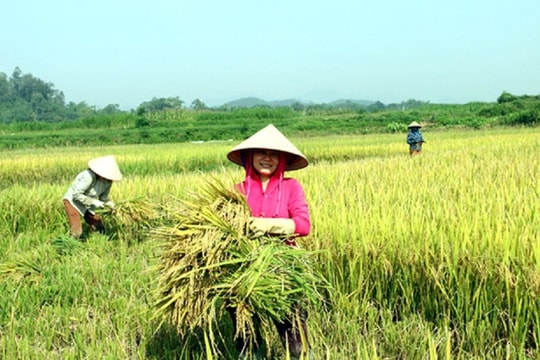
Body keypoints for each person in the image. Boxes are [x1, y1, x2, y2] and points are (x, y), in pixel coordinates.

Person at [227, 124, 312, 359]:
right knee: (245, 338)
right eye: (262, 152)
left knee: (294, 336)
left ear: (282, 160)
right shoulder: (237, 191)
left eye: (275, 154)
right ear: (249, 156)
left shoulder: (291, 187)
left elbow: (303, 225)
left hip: (283, 271)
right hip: (243, 270)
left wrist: (267, 226)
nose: (268, 158)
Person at [63, 155, 123, 239]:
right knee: (77, 231)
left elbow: (104, 197)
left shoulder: (108, 182)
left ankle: (101, 241)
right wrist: (94, 202)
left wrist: (111, 204)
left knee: (99, 226)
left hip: (88, 204)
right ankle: (69, 246)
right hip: (73, 202)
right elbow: (76, 194)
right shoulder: (89, 176)